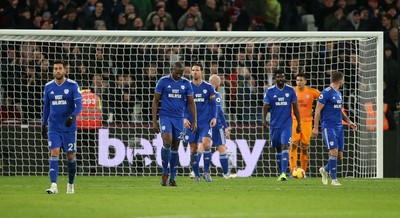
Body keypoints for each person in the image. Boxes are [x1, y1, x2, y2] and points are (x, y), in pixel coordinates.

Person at [152, 62, 197, 187]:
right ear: (172, 69)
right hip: (165, 116)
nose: (179, 75)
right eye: (177, 72)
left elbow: (191, 103)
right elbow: (155, 102)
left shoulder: (186, 83)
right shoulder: (163, 81)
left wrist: (194, 121)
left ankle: (172, 177)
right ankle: (165, 171)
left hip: (179, 118)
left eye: (181, 73)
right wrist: (154, 121)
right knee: (167, 141)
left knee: (175, 146)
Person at [42, 60, 82, 194]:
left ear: (65, 70)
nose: (58, 71)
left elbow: (79, 105)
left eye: (60, 68)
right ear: (53, 71)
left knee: (70, 156)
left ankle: (70, 184)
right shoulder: (48, 86)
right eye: (55, 69)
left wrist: (72, 116)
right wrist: (43, 123)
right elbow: (46, 107)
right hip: (54, 126)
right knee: (54, 152)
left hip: (69, 128)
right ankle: (53, 185)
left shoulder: (72, 85)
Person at [312, 71, 357, 186]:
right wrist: (316, 127)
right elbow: (317, 111)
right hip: (328, 126)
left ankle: (324, 169)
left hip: (339, 127)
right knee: (334, 151)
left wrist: (349, 121)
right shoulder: (325, 93)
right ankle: (334, 180)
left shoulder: (339, 93)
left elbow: (339, 111)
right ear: (340, 80)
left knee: (339, 155)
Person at [262, 69, 301, 181]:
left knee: (285, 146)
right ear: (275, 79)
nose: (280, 79)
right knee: (278, 149)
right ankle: (281, 173)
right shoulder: (270, 91)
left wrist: (299, 123)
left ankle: (284, 173)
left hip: (287, 124)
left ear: (284, 78)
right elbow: (265, 107)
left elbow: (295, 107)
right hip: (274, 125)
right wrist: (264, 121)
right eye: (278, 77)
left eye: (282, 77)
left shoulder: (290, 90)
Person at [184, 63, 217, 182]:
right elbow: (182, 104)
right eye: (193, 70)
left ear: (202, 72)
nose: (195, 72)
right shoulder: (187, 87)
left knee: (206, 144)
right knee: (193, 150)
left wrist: (214, 117)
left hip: (204, 122)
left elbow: (214, 104)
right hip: (191, 123)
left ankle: (207, 172)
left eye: (197, 70)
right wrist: (184, 118)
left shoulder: (208, 87)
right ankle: (197, 175)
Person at [289, 73, 320, 175]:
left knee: (304, 147)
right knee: (293, 144)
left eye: (301, 80)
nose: (299, 82)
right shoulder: (292, 91)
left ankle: (303, 171)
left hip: (307, 122)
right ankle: (292, 170)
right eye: (297, 80)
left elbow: (324, 97)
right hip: (294, 121)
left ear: (305, 81)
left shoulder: (311, 92)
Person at [208, 74, 237, 179]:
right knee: (222, 148)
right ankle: (226, 174)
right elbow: (219, 111)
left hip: (204, 124)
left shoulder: (203, 93)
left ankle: (195, 171)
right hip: (217, 125)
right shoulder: (216, 95)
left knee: (201, 147)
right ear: (217, 84)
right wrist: (225, 127)